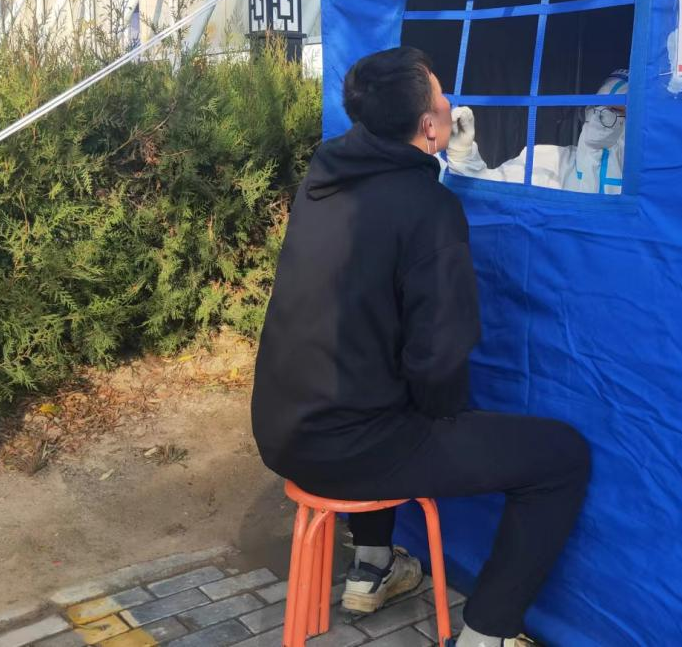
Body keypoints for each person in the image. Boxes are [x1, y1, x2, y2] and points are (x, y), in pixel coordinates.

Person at [252, 47, 591, 647]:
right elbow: (439, 355)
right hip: (348, 448)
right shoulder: (429, 208)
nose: (449, 99)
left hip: (281, 433)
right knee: (561, 457)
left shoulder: (322, 181)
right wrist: (445, 419)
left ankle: (373, 565)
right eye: (439, 93)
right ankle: (486, 634)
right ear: (429, 126)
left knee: (381, 393)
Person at [446, 70, 628, 195]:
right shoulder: (547, 161)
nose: (599, 116)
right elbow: (485, 191)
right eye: (596, 106)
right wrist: (463, 157)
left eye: (616, 110)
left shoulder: (640, 187)